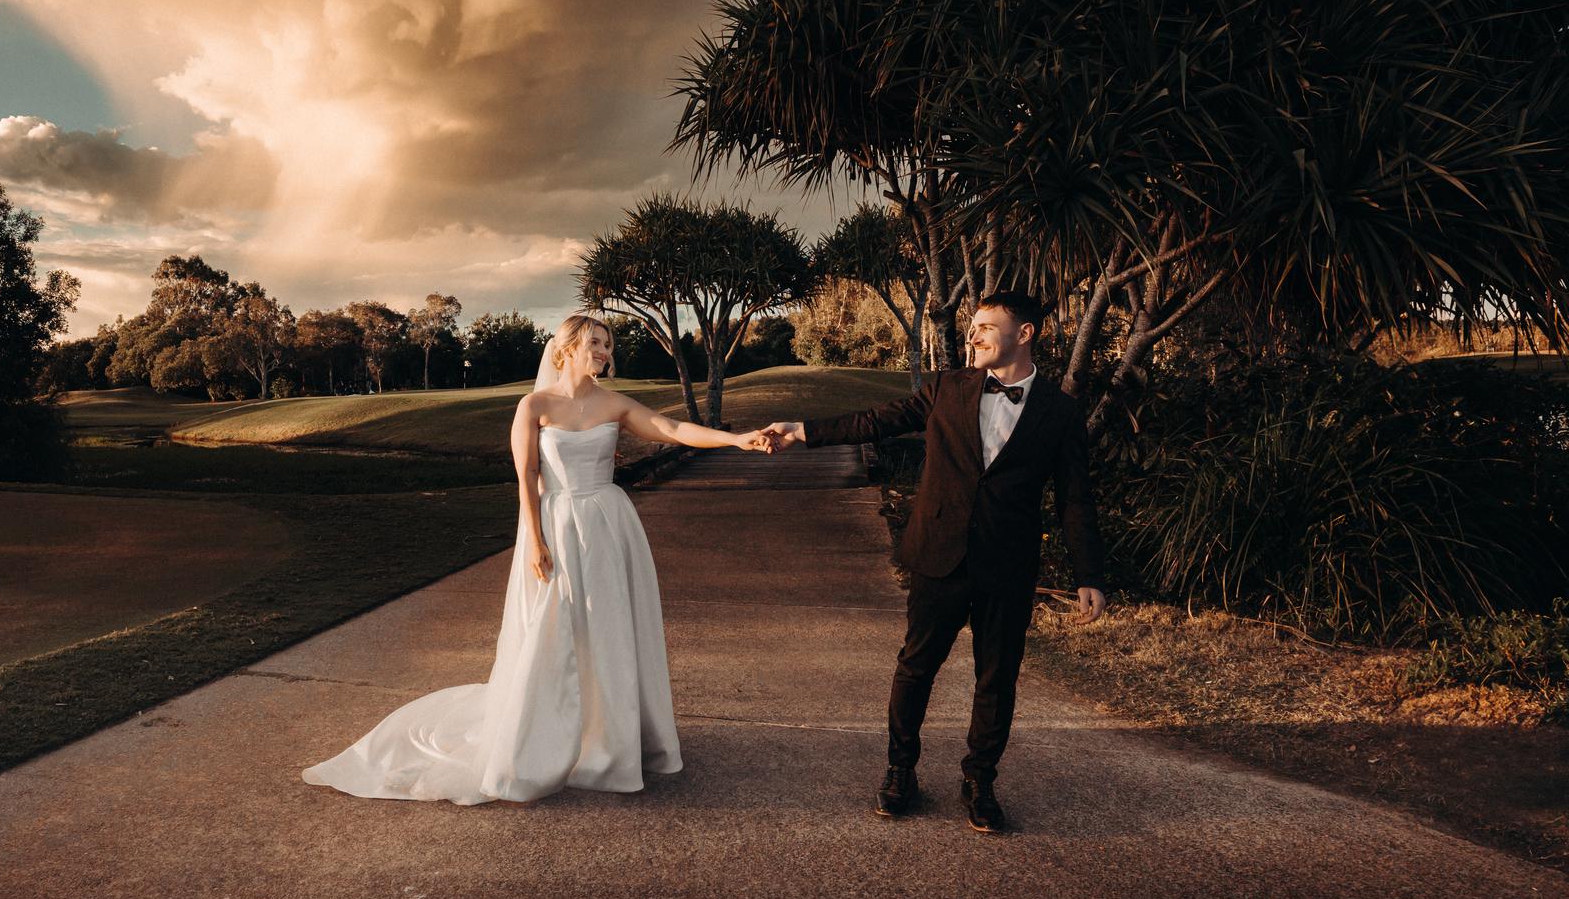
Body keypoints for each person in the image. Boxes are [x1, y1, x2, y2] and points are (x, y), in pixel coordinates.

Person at [302, 313, 771, 805]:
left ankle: (610, 741)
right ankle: (548, 737)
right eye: (594, 343)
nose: (604, 352)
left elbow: (672, 428)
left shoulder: (613, 403)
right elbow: (526, 475)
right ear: (566, 348)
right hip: (557, 526)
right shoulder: (534, 405)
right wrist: (535, 539)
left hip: (610, 526)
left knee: (608, 628)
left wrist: (737, 439)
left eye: (607, 345)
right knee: (556, 630)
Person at [753, 290, 1106, 832]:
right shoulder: (946, 388)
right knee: (916, 668)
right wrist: (802, 431)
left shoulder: (1060, 411)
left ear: (1026, 333)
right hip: (938, 554)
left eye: (987, 326)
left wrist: (1088, 576)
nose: (974, 336)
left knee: (997, 677)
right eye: (972, 326)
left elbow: (1075, 497)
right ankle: (901, 772)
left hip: (1007, 566)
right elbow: (876, 421)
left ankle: (980, 780)